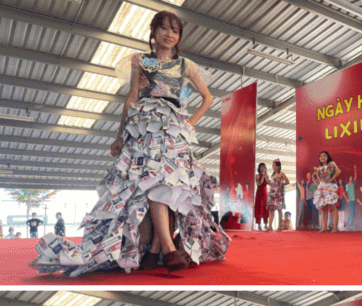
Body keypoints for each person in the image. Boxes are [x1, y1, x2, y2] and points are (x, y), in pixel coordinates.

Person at [31, 12, 229, 276]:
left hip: (173, 131)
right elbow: (132, 97)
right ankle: (166, 249)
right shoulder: (141, 61)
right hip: (144, 126)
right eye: (163, 28)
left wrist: (188, 124)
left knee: (172, 185)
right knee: (152, 181)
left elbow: (207, 98)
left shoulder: (185, 65)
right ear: (153, 32)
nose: (169, 34)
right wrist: (119, 136)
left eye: (175, 30)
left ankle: (157, 249)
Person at [313, 151, 340, 233]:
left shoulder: (331, 165)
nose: (322, 157)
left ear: (327, 157)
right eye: (321, 156)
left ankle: (335, 227)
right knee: (324, 207)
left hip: (330, 186)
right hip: (322, 187)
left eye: (324, 156)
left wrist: (331, 179)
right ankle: (324, 227)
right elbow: (313, 175)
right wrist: (315, 181)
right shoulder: (319, 168)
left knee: (333, 206)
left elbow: (338, 171)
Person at [268, 160, 289, 231]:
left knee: (279, 209)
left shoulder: (281, 174)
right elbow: (272, 184)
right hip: (272, 194)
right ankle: (270, 226)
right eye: (273, 165)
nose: (273, 167)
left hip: (279, 194)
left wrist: (281, 185)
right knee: (271, 210)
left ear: (279, 166)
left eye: (275, 165)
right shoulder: (272, 175)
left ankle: (279, 227)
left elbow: (287, 181)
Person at [255, 163, 270, 231]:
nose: (262, 168)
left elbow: (268, 183)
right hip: (259, 193)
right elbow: (259, 184)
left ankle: (266, 225)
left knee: (265, 208)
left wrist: (266, 177)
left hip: (265, 193)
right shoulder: (257, 175)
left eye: (264, 167)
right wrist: (263, 176)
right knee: (259, 208)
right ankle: (259, 225)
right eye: (261, 167)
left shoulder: (267, 175)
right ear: (259, 168)